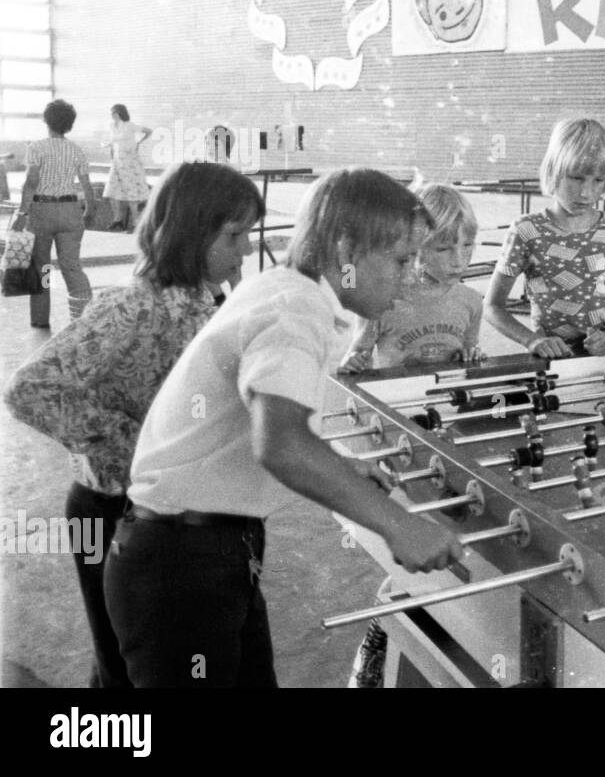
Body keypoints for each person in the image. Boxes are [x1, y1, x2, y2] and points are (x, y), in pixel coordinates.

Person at [103, 168, 463, 687]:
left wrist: (343, 468)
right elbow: (282, 442)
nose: (410, 276)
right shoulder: (294, 310)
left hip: (210, 553)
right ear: (345, 249)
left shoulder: (288, 290)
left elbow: (277, 431)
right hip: (181, 566)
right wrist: (398, 524)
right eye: (402, 259)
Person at [3, 162, 263, 688]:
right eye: (235, 235)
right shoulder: (133, 307)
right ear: (190, 232)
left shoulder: (203, 302)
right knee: (121, 659)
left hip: (174, 517)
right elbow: (29, 389)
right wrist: (132, 445)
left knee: (137, 653)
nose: (247, 250)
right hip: (109, 511)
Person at [484, 118, 605, 358]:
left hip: (603, 360)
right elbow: (492, 306)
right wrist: (531, 340)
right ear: (553, 171)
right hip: (550, 361)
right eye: (576, 178)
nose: (586, 193)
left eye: (598, 181)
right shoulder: (527, 230)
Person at [341, 182, 483, 371]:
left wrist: (473, 357)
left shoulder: (471, 300)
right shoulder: (380, 303)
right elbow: (356, 358)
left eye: (467, 246)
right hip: (398, 397)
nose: (458, 261)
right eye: (443, 249)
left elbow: (470, 356)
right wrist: (352, 364)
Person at [10, 99, 97, 328]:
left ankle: (40, 320)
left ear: (46, 120)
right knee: (72, 266)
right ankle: (85, 320)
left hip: (42, 211)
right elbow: (86, 185)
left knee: (42, 267)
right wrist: (90, 208)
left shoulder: (37, 147)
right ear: (70, 124)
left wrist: (22, 213)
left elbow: (30, 183)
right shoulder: (76, 150)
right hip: (70, 211)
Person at [103, 104, 153, 232]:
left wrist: (139, 143)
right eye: (112, 113)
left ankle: (136, 223)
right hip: (117, 162)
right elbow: (113, 142)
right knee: (112, 191)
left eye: (115, 113)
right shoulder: (111, 125)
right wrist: (111, 155)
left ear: (121, 113)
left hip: (130, 162)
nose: (113, 115)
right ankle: (117, 220)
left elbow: (148, 131)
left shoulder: (130, 125)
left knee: (132, 192)